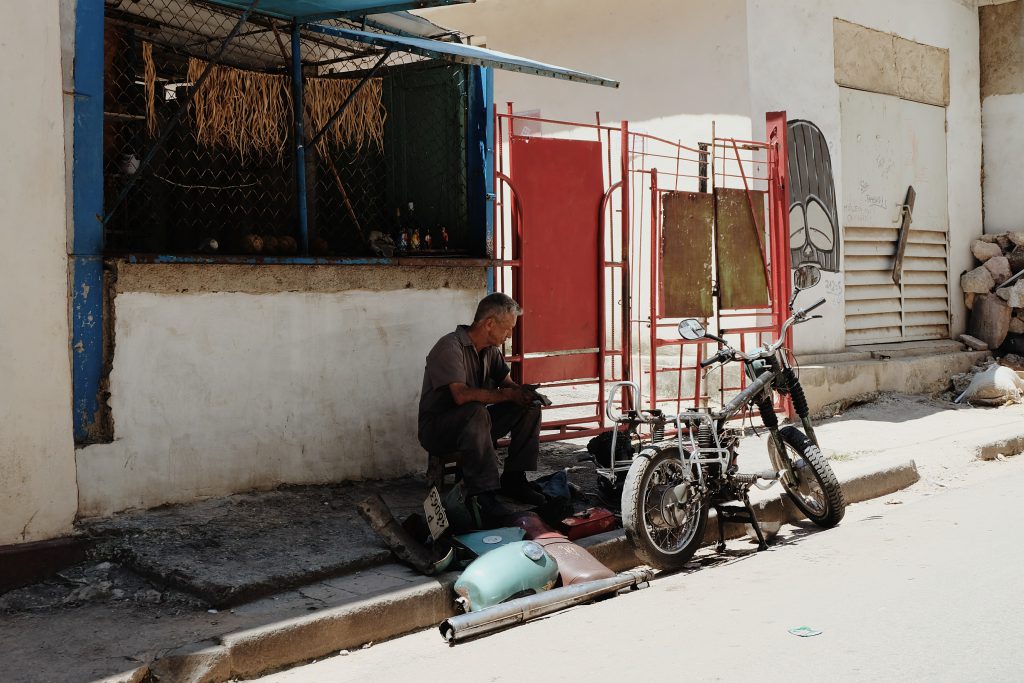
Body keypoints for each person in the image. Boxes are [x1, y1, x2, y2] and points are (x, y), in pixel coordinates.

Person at [418, 293, 545, 523]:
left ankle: (514, 479)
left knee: (529, 407)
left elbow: (507, 386)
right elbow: (460, 395)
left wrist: (522, 393)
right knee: (475, 411)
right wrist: (506, 394)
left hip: (476, 424)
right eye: (508, 329)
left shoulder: (490, 351)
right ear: (489, 324)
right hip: (438, 430)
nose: (509, 335)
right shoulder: (449, 347)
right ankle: (483, 495)